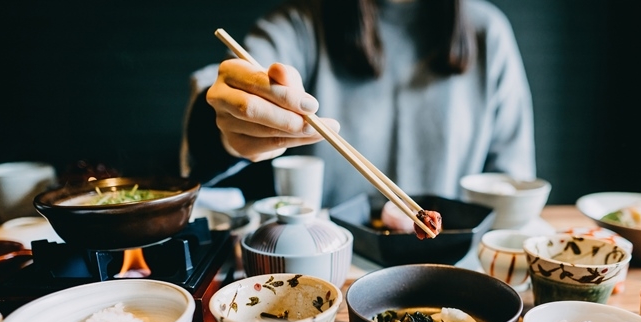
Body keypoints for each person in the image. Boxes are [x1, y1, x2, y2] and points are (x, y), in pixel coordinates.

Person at [182, 0, 536, 208]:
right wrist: (229, 127)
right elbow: (232, 86)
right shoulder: (300, 24)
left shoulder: (488, 33)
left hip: (456, 273)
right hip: (330, 270)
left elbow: (512, 187)